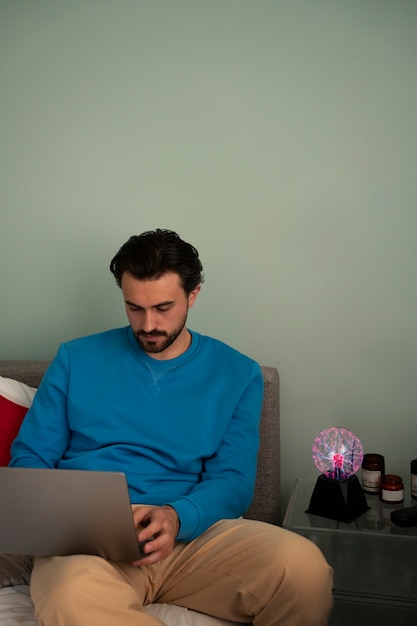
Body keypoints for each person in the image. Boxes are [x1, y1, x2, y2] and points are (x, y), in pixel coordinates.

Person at [10, 229, 333, 626]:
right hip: (88, 544)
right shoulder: (76, 358)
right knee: (69, 598)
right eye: (134, 308)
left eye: (163, 308)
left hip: (192, 536)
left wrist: (177, 516)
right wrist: (66, 516)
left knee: (303, 569)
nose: (148, 324)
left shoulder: (238, 373)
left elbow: (232, 480)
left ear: (193, 295)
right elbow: (31, 456)